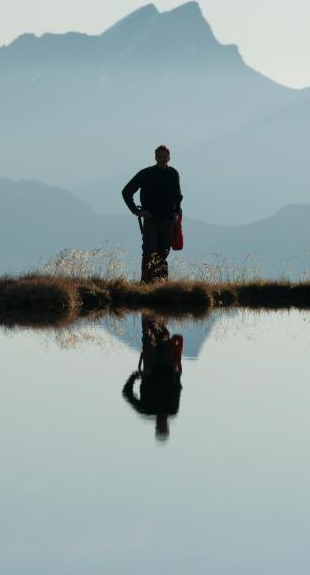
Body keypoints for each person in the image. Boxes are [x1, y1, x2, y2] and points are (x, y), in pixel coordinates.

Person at [121, 145, 183, 282]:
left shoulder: (174, 173)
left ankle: (161, 284)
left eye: (164, 156)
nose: (162, 159)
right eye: (159, 156)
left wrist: (177, 214)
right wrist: (136, 211)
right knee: (149, 251)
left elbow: (178, 196)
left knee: (163, 252)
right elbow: (126, 191)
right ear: (155, 157)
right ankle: (146, 284)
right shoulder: (146, 173)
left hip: (168, 219)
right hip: (151, 219)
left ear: (169, 157)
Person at [122, 314, 183, 441]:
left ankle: (149, 306)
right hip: (165, 364)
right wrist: (176, 369)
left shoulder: (147, 409)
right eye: (163, 427)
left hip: (153, 363)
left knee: (151, 331)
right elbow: (177, 386)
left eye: (160, 427)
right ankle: (155, 305)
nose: (162, 424)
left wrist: (135, 375)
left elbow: (126, 393)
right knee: (160, 330)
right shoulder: (171, 409)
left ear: (156, 427)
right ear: (167, 427)